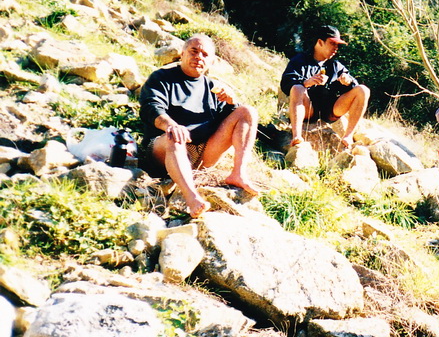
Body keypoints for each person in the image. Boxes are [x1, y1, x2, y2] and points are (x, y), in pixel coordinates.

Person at [139, 34, 259, 218]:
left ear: (211, 61)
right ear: (182, 53)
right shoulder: (162, 77)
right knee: (175, 136)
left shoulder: (213, 88)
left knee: (247, 111)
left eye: (205, 54)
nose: (199, 57)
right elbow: (151, 108)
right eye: (194, 51)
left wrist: (231, 104)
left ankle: (238, 174)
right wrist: (171, 125)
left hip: (202, 153)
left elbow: (231, 122)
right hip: (164, 149)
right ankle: (192, 197)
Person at [280, 25, 370, 148]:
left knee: (363, 90)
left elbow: (354, 85)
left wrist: (348, 82)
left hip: (331, 111)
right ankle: (297, 136)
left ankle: (348, 136)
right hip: (308, 109)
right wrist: (307, 82)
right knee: (297, 88)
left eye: (338, 45)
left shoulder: (336, 66)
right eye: (332, 43)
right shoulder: (300, 60)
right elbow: (286, 83)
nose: (336, 48)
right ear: (320, 42)